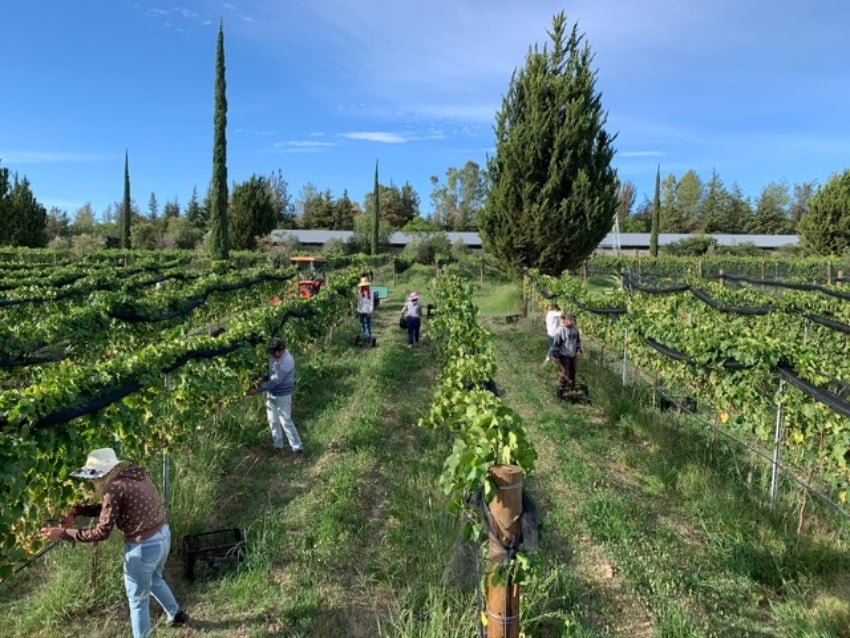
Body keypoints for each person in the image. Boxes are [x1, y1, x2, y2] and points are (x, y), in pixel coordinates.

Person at [41, 448, 189, 638]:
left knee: (137, 602)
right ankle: (176, 614)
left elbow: (101, 532)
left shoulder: (113, 488)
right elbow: (112, 508)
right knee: (154, 579)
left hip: (142, 548)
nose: (92, 482)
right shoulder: (135, 475)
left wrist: (63, 533)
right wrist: (78, 511)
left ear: (101, 474)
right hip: (162, 536)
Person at [248, 337, 304, 462]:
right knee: (273, 421)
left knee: (286, 421)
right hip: (271, 394)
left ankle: (298, 450)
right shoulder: (274, 356)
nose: (272, 354)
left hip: (283, 395)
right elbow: (271, 373)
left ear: (281, 350)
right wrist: (261, 379)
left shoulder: (287, 361)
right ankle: (278, 448)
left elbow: (275, 381)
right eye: (271, 352)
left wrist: (256, 390)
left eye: (275, 352)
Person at [550, 313, 583, 398]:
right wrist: (556, 356)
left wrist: (578, 351)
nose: (573, 323)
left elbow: (578, 342)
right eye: (571, 321)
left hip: (572, 355)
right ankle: (561, 389)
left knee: (572, 372)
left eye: (574, 322)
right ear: (567, 320)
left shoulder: (575, 331)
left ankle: (571, 389)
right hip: (564, 355)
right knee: (565, 372)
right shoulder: (560, 331)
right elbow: (556, 344)